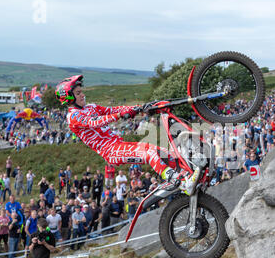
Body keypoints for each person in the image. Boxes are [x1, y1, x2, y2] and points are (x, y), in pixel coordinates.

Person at [56, 75, 198, 195]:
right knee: (149, 154)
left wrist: (138, 108)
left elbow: (113, 109)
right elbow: (95, 122)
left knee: (164, 153)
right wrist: (119, 115)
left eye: (82, 91)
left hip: (120, 144)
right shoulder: (73, 117)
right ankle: (182, 184)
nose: (83, 95)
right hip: (111, 152)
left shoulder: (91, 107)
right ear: (69, 97)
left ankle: (187, 175)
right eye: (78, 93)